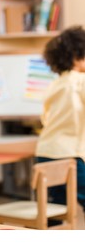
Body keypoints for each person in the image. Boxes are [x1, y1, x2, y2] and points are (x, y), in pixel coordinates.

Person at [35, 25, 85, 213]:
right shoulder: (80, 80)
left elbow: (45, 118)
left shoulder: (54, 85)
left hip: (45, 152)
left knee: (56, 208)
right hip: (69, 155)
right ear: (76, 56)